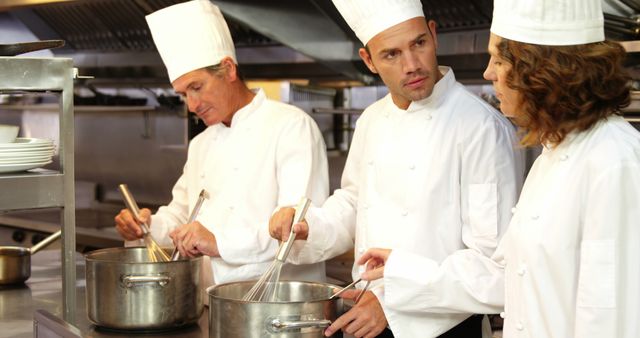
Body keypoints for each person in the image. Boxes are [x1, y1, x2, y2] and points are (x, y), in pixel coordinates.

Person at [357, 0, 640, 337]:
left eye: (500, 59)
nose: (488, 72)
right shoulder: (552, 157)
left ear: (541, 70)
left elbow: (611, 320)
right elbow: (506, 276)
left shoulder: (613, 161)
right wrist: (402, 270)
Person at [268, 0, 524, 337]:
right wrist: (308, 226)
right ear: (368, 61)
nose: (412, 65)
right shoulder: (372, 119)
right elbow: (355, 202)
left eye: (419, 43)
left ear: (433, 35)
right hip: (366, 315)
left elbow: (490, 262)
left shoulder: (481, 128)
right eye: (391, 54)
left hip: (444, 327)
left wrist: (395, 303)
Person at [114, 0, 329, 298]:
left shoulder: (291, 127)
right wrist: (147, 226)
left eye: (197, 87)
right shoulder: (201, 143)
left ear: (228, 69)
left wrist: (219, 243)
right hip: (209, 302)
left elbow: (298, 230)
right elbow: (180, 217)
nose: (192, 105)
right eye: (183, 94)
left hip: (275, 306)